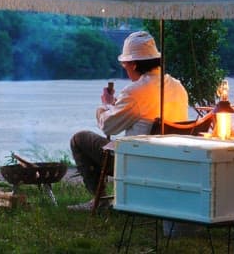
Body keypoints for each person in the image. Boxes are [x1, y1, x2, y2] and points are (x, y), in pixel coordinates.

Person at [68, 31, 189, 210]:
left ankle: (100, 201)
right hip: (170, 161)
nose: (125, 69)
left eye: (125, 65)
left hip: (137, 162)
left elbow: (109, 126)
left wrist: (105, 106)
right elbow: (140, 113)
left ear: (133, 64)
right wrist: (115, 105)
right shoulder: (177, 86)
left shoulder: (135, 91)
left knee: (79, 139)